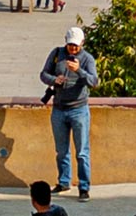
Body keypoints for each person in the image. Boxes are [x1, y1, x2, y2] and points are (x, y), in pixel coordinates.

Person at [40, 27, 96, 201]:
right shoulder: (57, 54)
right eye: (70, 45)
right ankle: (64, 181)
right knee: (61, 150)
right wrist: (53, 80)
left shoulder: (87, 59)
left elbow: (94, 81)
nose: (72, 49)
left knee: (81, 152)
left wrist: (79, 70)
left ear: (82, 44)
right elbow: (43, 74)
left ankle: (84, 187)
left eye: (76, 46)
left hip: (79, 109)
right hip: (59, 108)